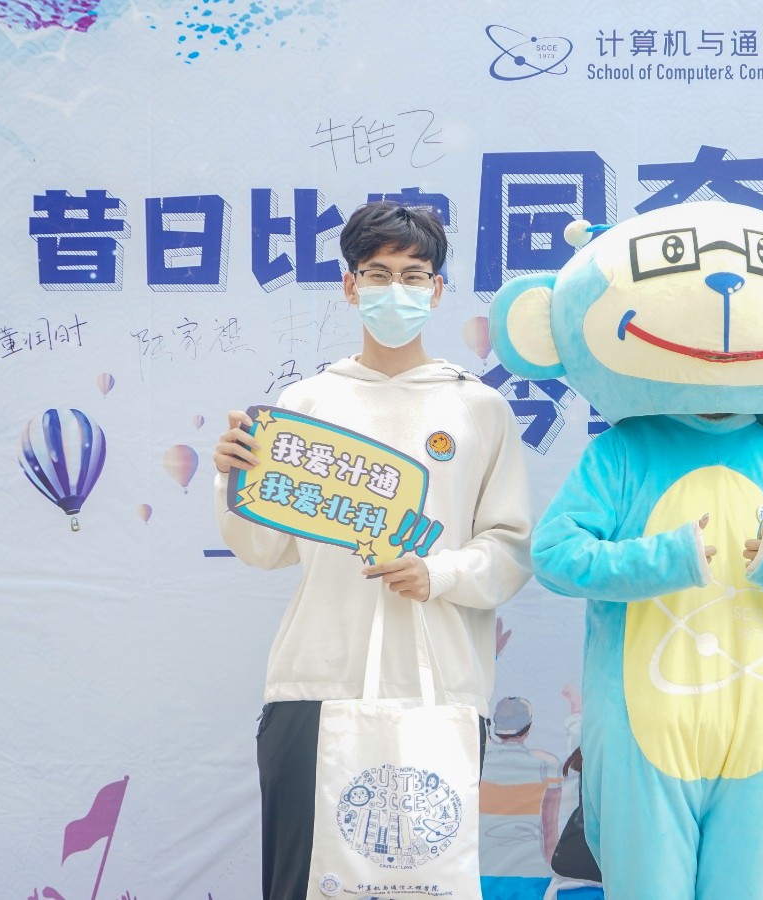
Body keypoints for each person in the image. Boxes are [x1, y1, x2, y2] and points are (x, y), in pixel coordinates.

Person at [211, 201, 534, 900]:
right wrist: (233, 479)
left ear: (437, 290)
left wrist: (438, 573)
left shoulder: (478, 407)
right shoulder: (306, 404)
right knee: (303, 883)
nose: (396, 291)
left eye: (413, 276)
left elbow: (510, 547)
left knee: (427, 883)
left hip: (441, 689)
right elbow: (265, 547)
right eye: (378, 274)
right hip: (315, 681)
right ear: (350, 285)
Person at [479, 695, 563, 899]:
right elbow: (550, 829)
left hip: (482, 869)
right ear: (528, 728)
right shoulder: (548, 765)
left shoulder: (479, 764)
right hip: (532, 872)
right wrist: (556, 874)